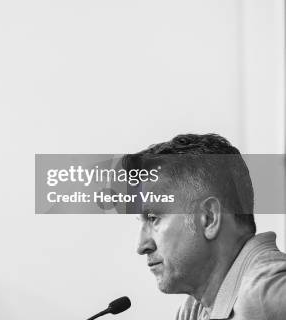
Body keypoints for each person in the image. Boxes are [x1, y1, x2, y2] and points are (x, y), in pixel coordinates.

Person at [122, 134, 286, 320]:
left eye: (153, 218)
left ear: (209, 218)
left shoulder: (266, 290)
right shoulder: (193, 311)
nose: (141, 246)